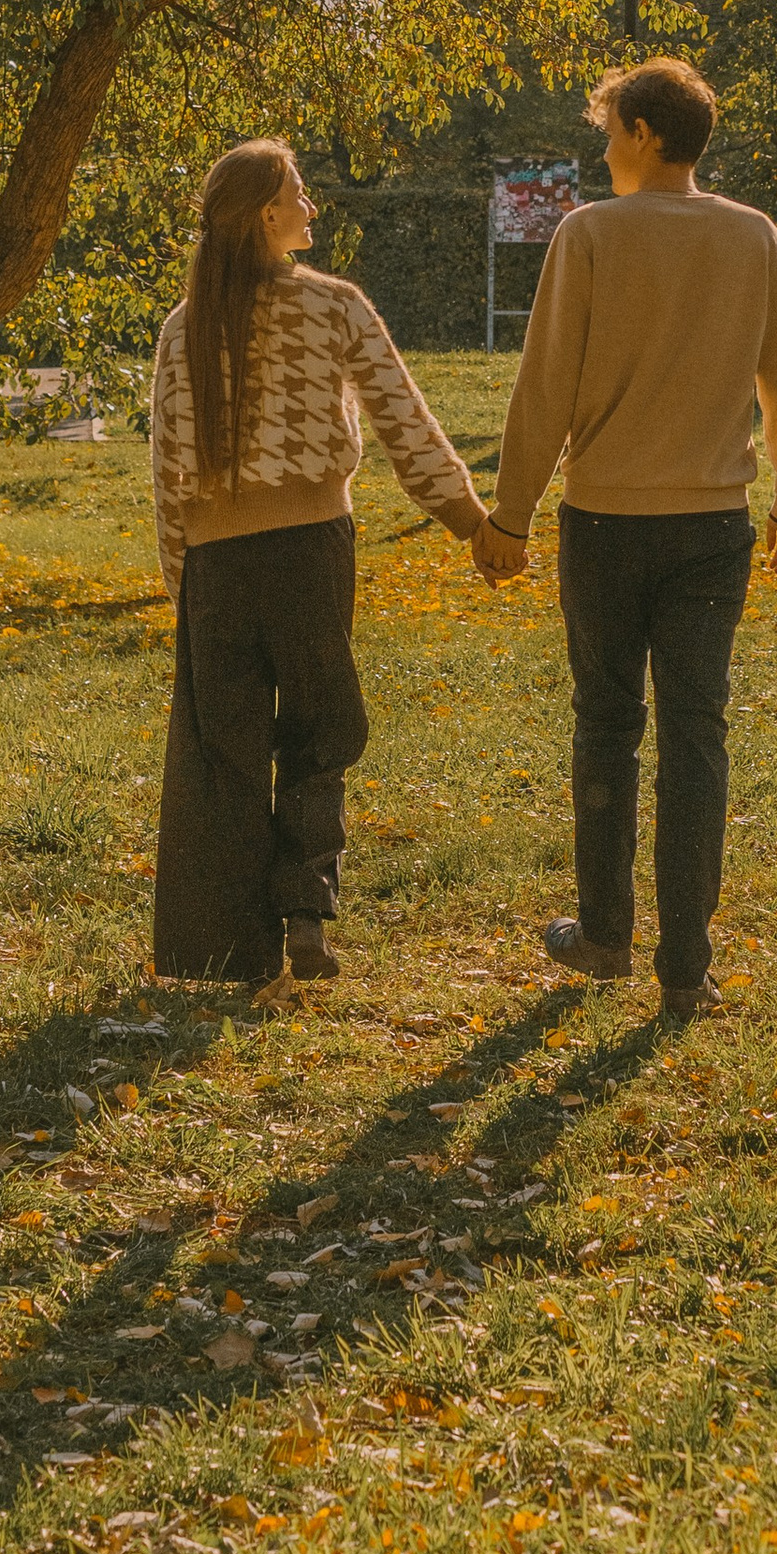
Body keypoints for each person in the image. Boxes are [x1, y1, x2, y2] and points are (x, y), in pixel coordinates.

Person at [477, 57, 777, 1018]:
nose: (602, 151)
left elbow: (543, 390)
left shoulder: (588, 236)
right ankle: (686, 967)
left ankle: (603, 934)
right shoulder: (754, 238)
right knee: (697, 735)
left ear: (641, 133)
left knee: (608, 724)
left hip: (606, 522)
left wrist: (510, 515)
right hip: (715, 526)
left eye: (608, 131)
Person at [148, 137, 494, 987]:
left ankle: (228, 946)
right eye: (301, 193)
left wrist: (179, 578)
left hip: (217, 565)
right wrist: (470, 521)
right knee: (319, 724)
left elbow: (166, 468)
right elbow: (404, 423)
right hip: (311, 550)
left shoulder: (184, 325)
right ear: (268, 212)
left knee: (223, 746)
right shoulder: (334, 307)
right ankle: (305, 905)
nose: (313, 206)